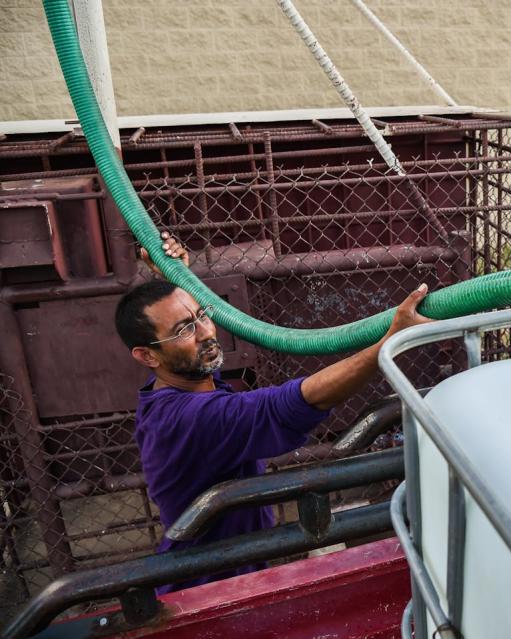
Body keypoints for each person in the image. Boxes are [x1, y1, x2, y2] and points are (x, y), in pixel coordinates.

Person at [115, 232, 429, 593]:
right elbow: (285, 406)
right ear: (147, 356)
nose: (205, 333)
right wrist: (389, 343)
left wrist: (177, 280)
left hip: (234, 564)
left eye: (202, 316)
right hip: (209, 586)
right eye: (185, 329)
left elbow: (188, 347)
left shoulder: (182, 380)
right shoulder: (188, 418)